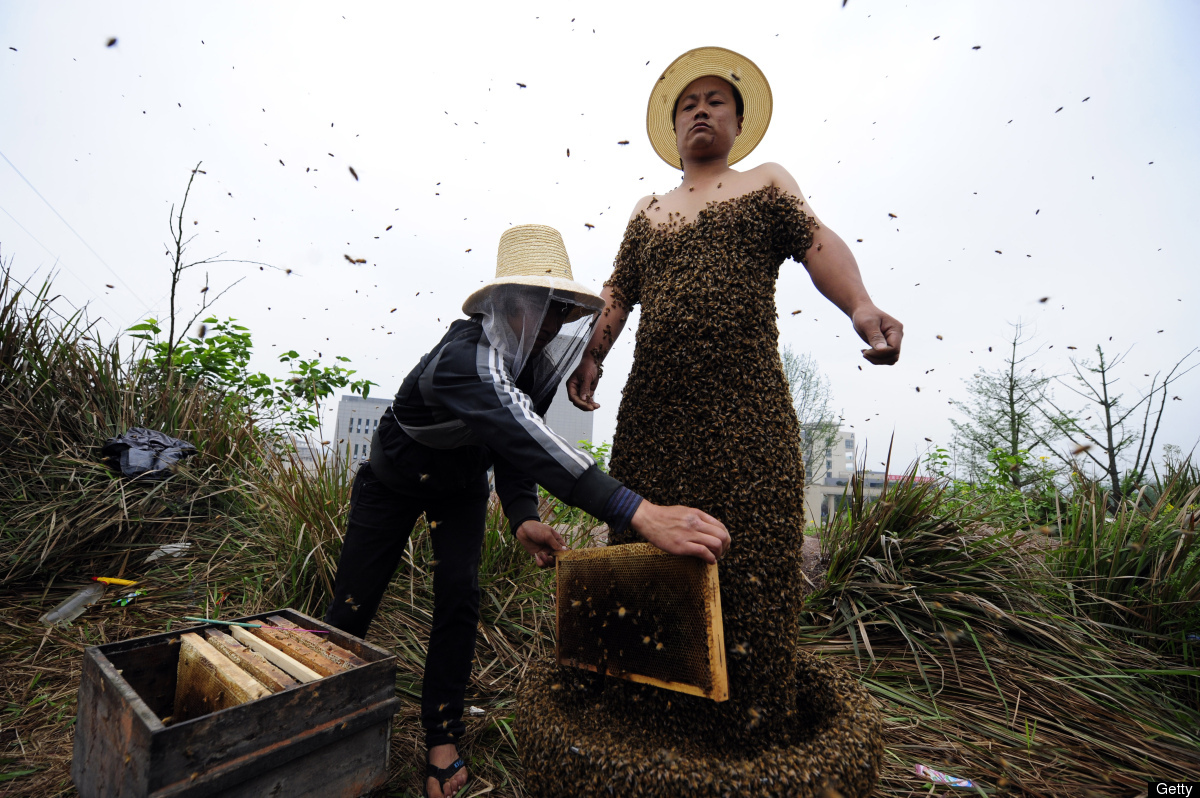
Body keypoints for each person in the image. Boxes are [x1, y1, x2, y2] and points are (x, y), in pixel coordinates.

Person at [564, 47, 904, 745]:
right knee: (647, 570)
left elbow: (818, 245)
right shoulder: (648, 211)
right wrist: (591, 355)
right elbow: (617, 293)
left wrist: (861, 306)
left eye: (716, 100)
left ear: (739, 122)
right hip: (652, 420)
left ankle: (748, 736)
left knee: (750, 572)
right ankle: (651, 733)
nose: (701, 110)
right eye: (689, 103)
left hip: (748, 415)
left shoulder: (765, 184)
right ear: (673, 126)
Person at [322, 224, 730, 798]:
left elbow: (513, 448)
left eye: (562, 312)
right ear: (506, 304)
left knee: (459, 599)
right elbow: (525, 436)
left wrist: (521, 515)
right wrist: (635, 511)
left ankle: (441, 735)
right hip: (392, 481)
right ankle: (319, 725)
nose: (552, 325)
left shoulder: (530, 362)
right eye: (542, 308)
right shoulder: (468, 358)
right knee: (353, 604)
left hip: (460, 486)